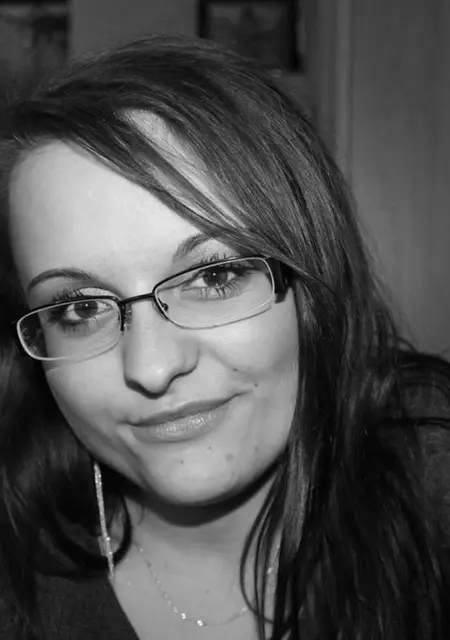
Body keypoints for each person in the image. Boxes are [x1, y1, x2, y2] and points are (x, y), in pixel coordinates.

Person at [0, 34, 449, 640]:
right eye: (79, 308)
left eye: (213, 276)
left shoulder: (431, 476)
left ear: (313, 277)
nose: (152, 367)